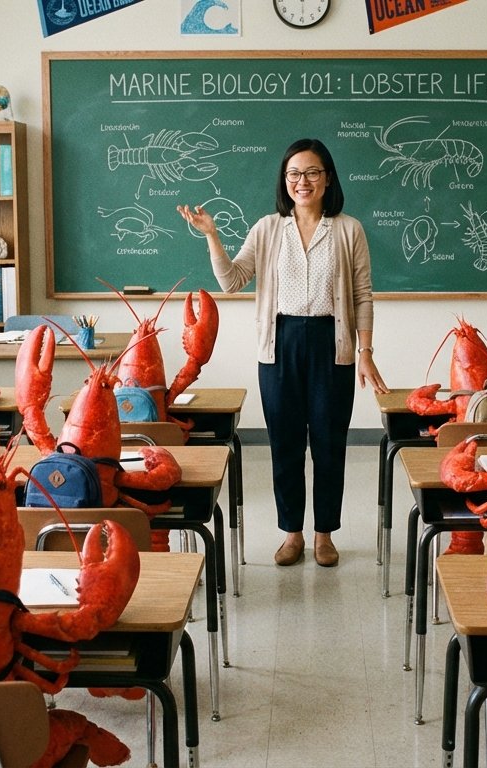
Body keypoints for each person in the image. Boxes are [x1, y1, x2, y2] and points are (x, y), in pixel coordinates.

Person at [177, 138, 387, 568]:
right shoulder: (267, 228)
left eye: (311, 172)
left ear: (327, 178)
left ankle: (325, 534)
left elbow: (362, 295)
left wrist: (365, 351)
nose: (302, 181)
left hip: (333, 345)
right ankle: (292, 533)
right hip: (280, 345)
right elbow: (231, 281)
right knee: (285, 445)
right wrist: (212, 235)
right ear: (284, 180)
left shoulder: (349, 229)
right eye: (294, 173)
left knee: (329, 444)